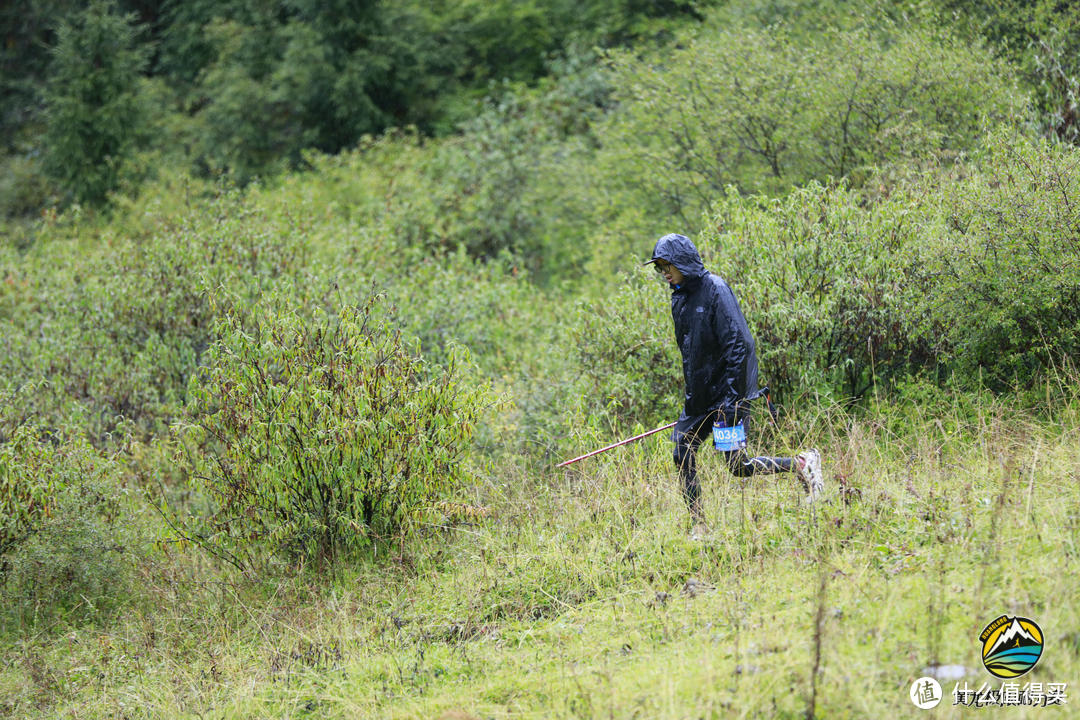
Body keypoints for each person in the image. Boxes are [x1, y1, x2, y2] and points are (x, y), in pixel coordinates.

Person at [644, 233, 823, 536]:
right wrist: (693, 400)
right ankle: (699, 525)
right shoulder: (679, 298)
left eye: (667, 265)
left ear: (682, 262)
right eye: (659, 267)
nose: (664, 272)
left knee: (738, 466)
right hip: (699, 400)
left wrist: (732, 399)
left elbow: (741, 345)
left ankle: (802, 464)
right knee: (681, 450)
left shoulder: (716, 289)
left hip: (730, 395)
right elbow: (690, 354)